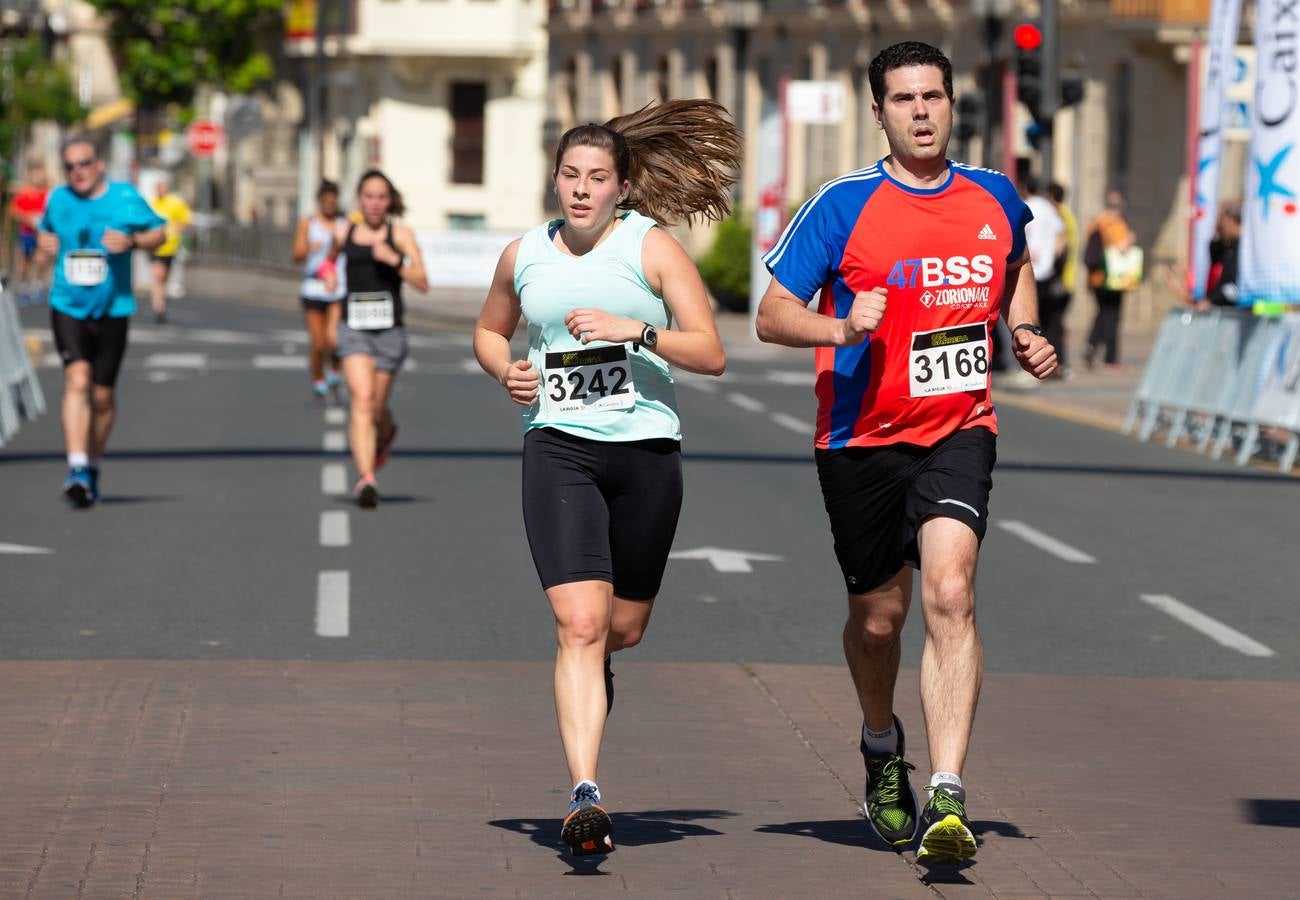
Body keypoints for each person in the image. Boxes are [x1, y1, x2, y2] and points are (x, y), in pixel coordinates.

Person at [755, 41, 1056, 865]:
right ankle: (882, 746)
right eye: (903, 99)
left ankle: (950, 793)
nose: (921, 112)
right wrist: (840, 324)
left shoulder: (995, 196)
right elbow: (771, 315)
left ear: (952, 105)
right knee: (879, 621)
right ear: (879, 112)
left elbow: (1015, 264)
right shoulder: (843, 204)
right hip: (860, 437)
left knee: (951, 594)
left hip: (959, 426)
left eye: (933, 97)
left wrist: (1021, 328)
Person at [473, 99, 737, 857]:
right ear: (554, 180)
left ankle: (587, 677)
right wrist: (507, 372)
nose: (581, 189)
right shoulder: (524, 255)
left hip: (646, 454)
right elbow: (489, 331)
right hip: (560, 446)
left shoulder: (651, 249)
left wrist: (638, 330)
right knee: (580, 624)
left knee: (621, 629)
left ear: (623, 187)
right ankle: (585, 794)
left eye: (597, 177)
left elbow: (711, 351)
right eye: (570, 175)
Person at [36, 135, 167, 507]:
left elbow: (160, 232)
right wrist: (44, 247)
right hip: (68, 304)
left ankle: (93, 464)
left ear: (99, 164)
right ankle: (76, 467)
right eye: (71, 166)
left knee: (103, 396)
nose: (78, 171)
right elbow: (46, 236)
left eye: (84, 163)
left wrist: (135, 244)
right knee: (77, 379)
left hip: (114, 308)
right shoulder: (58, 200)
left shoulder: (124, 198)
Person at [321, 170, 428, 507]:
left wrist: (394, 259)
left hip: (389, 333)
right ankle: (366, 478)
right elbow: (326, 262)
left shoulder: (401, 234)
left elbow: (423, 281)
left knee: (377, 407)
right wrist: (327, 277)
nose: (375, 203)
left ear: (389, 200)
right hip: (353, 331)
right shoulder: (345, 231)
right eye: (369, 196)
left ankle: (387, 429)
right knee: (362, 401)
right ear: (359, 199)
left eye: (381, 197)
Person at [293, 180, 348, 400]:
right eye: (325, 202)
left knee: (333, 340)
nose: (329, 205)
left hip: (337, 289)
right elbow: (296, 255)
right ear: (320, 202)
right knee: (318, 343)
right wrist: (309, 247)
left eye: (333, 202)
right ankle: (318, 379)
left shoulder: (344, 223)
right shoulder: (309, 223)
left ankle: (334, 370)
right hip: (313, 287)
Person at [1083, 190, 1141, 370]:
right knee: (1112, 317)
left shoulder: (1096, 222)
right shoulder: (1115, 224)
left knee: (1102, 314)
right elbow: (1120, 249)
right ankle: (1110, 357)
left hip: (1096, 278)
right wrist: (1129, 240)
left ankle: (1091, 345)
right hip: (1112, 279)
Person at [1021, 176, 1065, 374]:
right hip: (1048, 271)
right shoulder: (1049, 209)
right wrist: (1054, 259)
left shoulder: (1025, 206)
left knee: (1031, 321)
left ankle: (1033, 364)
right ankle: (1054, 363)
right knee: (1051, 320)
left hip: (1029, 271)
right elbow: (1061, 238)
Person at [147, 179, 192, 322]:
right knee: (158, 275)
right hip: (154, 247)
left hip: (170, 247)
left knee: (164, 277)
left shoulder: (175, 203)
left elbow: (186, 220)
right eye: (158, 188)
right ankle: (158, 307)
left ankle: (161, 299)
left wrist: (176, 229)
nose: (160, 191)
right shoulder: (151, 204)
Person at [1047, 182, 1079, 374]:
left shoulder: (1059, 216)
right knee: (1056, 322)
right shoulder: (1068, 214)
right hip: (1067, 278)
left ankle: (1057, 364)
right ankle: (1059, 363)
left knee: (1054, 323)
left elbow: (1061, 247)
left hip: (1060, 279)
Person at [10, 164, 50, 303]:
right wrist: (27, 218)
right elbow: (14, 211)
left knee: (41, 259)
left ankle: (38, 285)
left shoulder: (47, 194)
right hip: (26, 232)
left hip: (42, 233)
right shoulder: (25, 193)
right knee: (25, 260)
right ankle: (23, 286)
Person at [1201, 200, 1241, 311]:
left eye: (1222, 220)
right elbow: (1214, 253)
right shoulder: (1229, 247)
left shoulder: (1243, 250)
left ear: (1232, 220)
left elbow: (1233, 286)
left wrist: (1211, 301)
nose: (1218, 225)